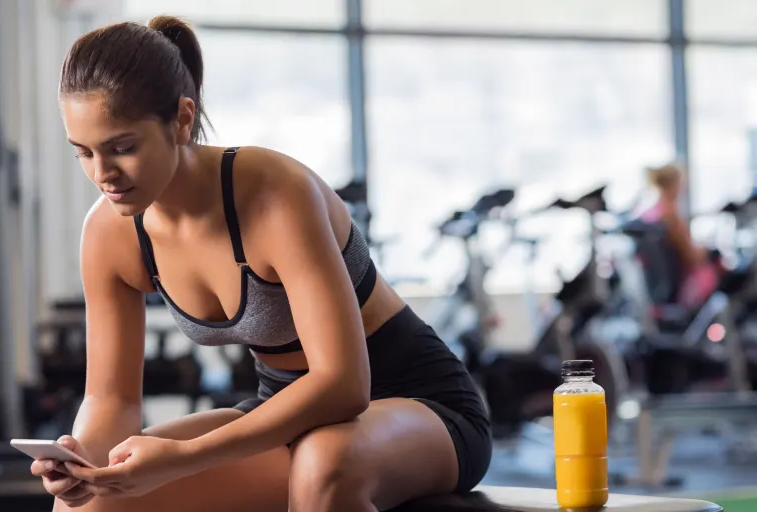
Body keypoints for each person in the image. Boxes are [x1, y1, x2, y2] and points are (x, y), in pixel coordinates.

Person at [31, 16, 491, 512]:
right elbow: (112, 401)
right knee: (92, 504)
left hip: (419, 405)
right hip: (283, 414)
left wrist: (182, 456)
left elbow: (342, 384)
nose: (103, 174)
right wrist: (82, 466)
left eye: (123, 148)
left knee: (324, 461)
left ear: (182, 119)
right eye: (84, 153)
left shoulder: (275, 193)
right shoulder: (109, 232)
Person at [638, 162, 722, 309]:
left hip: (660, 284)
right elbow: (691, 256)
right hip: (683, 284)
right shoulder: (670, 216)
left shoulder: (650, 213)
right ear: (675, 184)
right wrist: (708, 250)